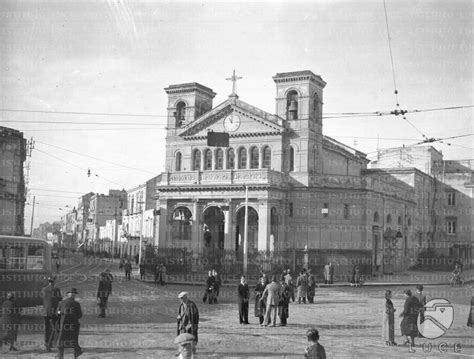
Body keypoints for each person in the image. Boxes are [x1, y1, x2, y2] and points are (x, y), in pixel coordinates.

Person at [57, 288, 83, 359]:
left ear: (67, 294)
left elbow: (58, 313)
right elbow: (79, 315)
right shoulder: (76, 304)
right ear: (74, 295)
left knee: (61, 339)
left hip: (63, 324)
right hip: (73, 324)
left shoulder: (62, 303)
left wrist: (62, 315)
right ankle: (76, 354)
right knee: (74, 339)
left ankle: (60, 355)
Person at [41, 277, 63, 351]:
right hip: (53, 312)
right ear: (54, 282)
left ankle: (47, 342)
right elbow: (60, 298)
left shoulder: (43, 289)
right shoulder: (56, 289)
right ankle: (50, 344)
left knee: (47, 328)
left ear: (48, 282)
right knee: (54, 327)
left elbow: (43, 298)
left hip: (45, 312)